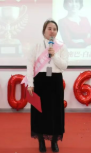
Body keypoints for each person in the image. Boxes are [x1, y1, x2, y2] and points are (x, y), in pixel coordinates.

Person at [26, 20, 68, 153]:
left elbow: (64, 66)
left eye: (54, 29)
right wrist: (30, 83)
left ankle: (54, 141)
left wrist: (54, 55)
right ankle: (41, 141)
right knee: (39, 112)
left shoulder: (61, 47)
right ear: (44, 30)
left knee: (56, 112)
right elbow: (30, 65)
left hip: (55, 81)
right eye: (49, 28)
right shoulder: (37, 46)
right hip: (40, 82)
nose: (52, 31)